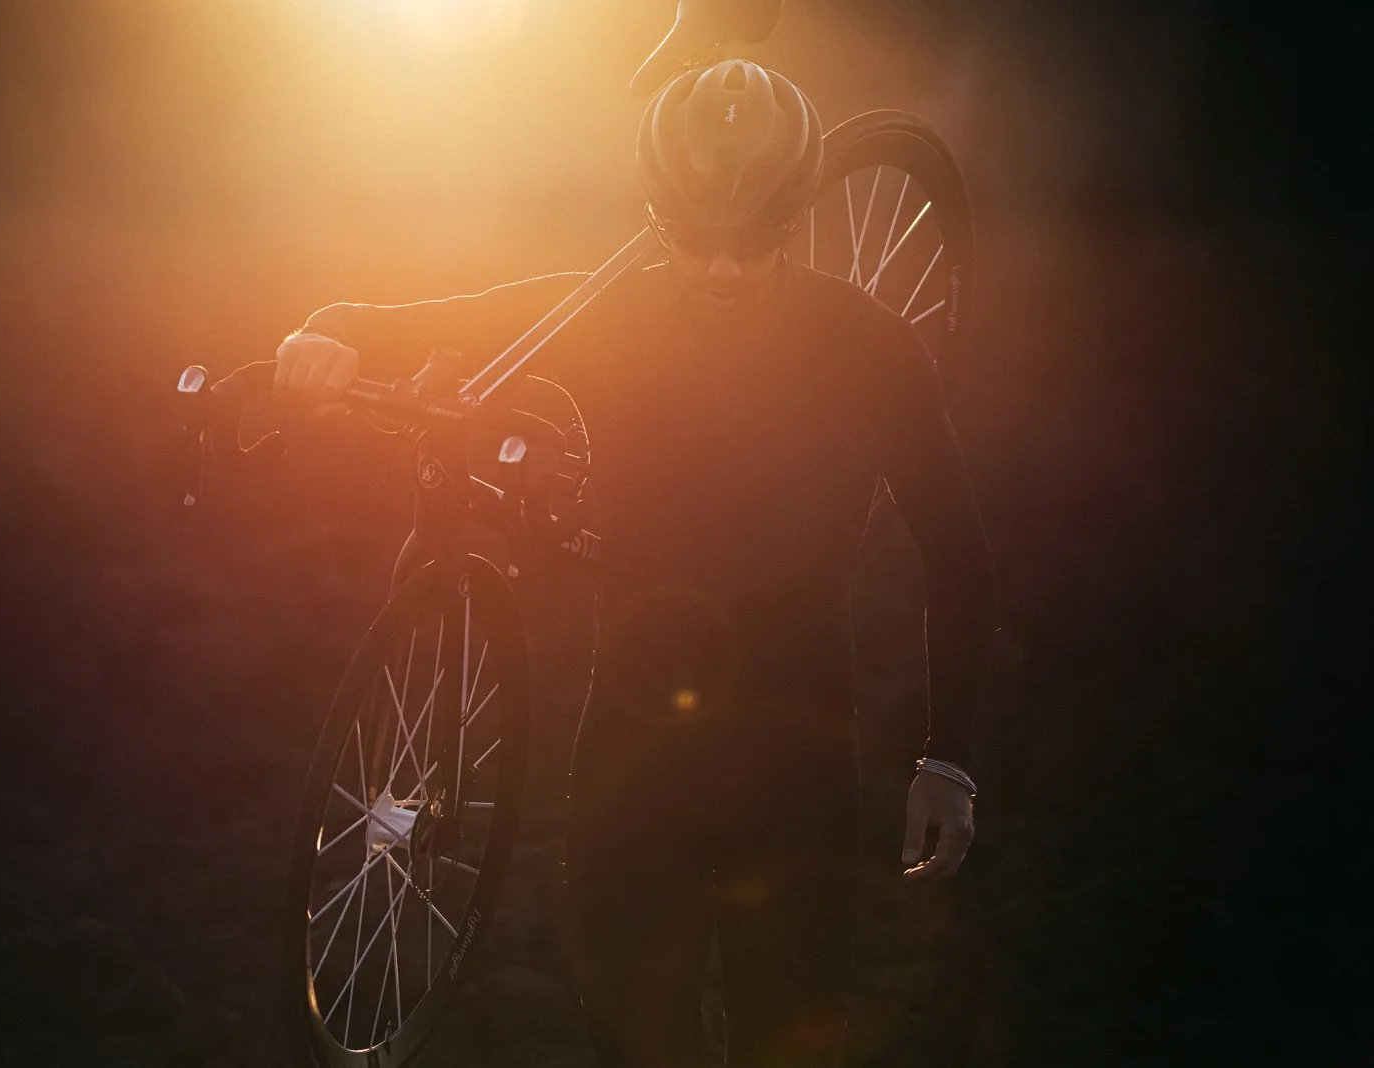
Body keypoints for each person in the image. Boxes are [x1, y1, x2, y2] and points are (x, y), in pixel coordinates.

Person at [272, 59, 997, 1068]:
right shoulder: (604, 314)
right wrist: (321, 336)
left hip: (797, 770)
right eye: (699, 236)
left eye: (757, 237)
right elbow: (424, 319)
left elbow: (956, 554)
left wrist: (947, 757)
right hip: (625, 776)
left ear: (797, 212)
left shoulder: (871, 347)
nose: (725, 268)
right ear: (658, 216)